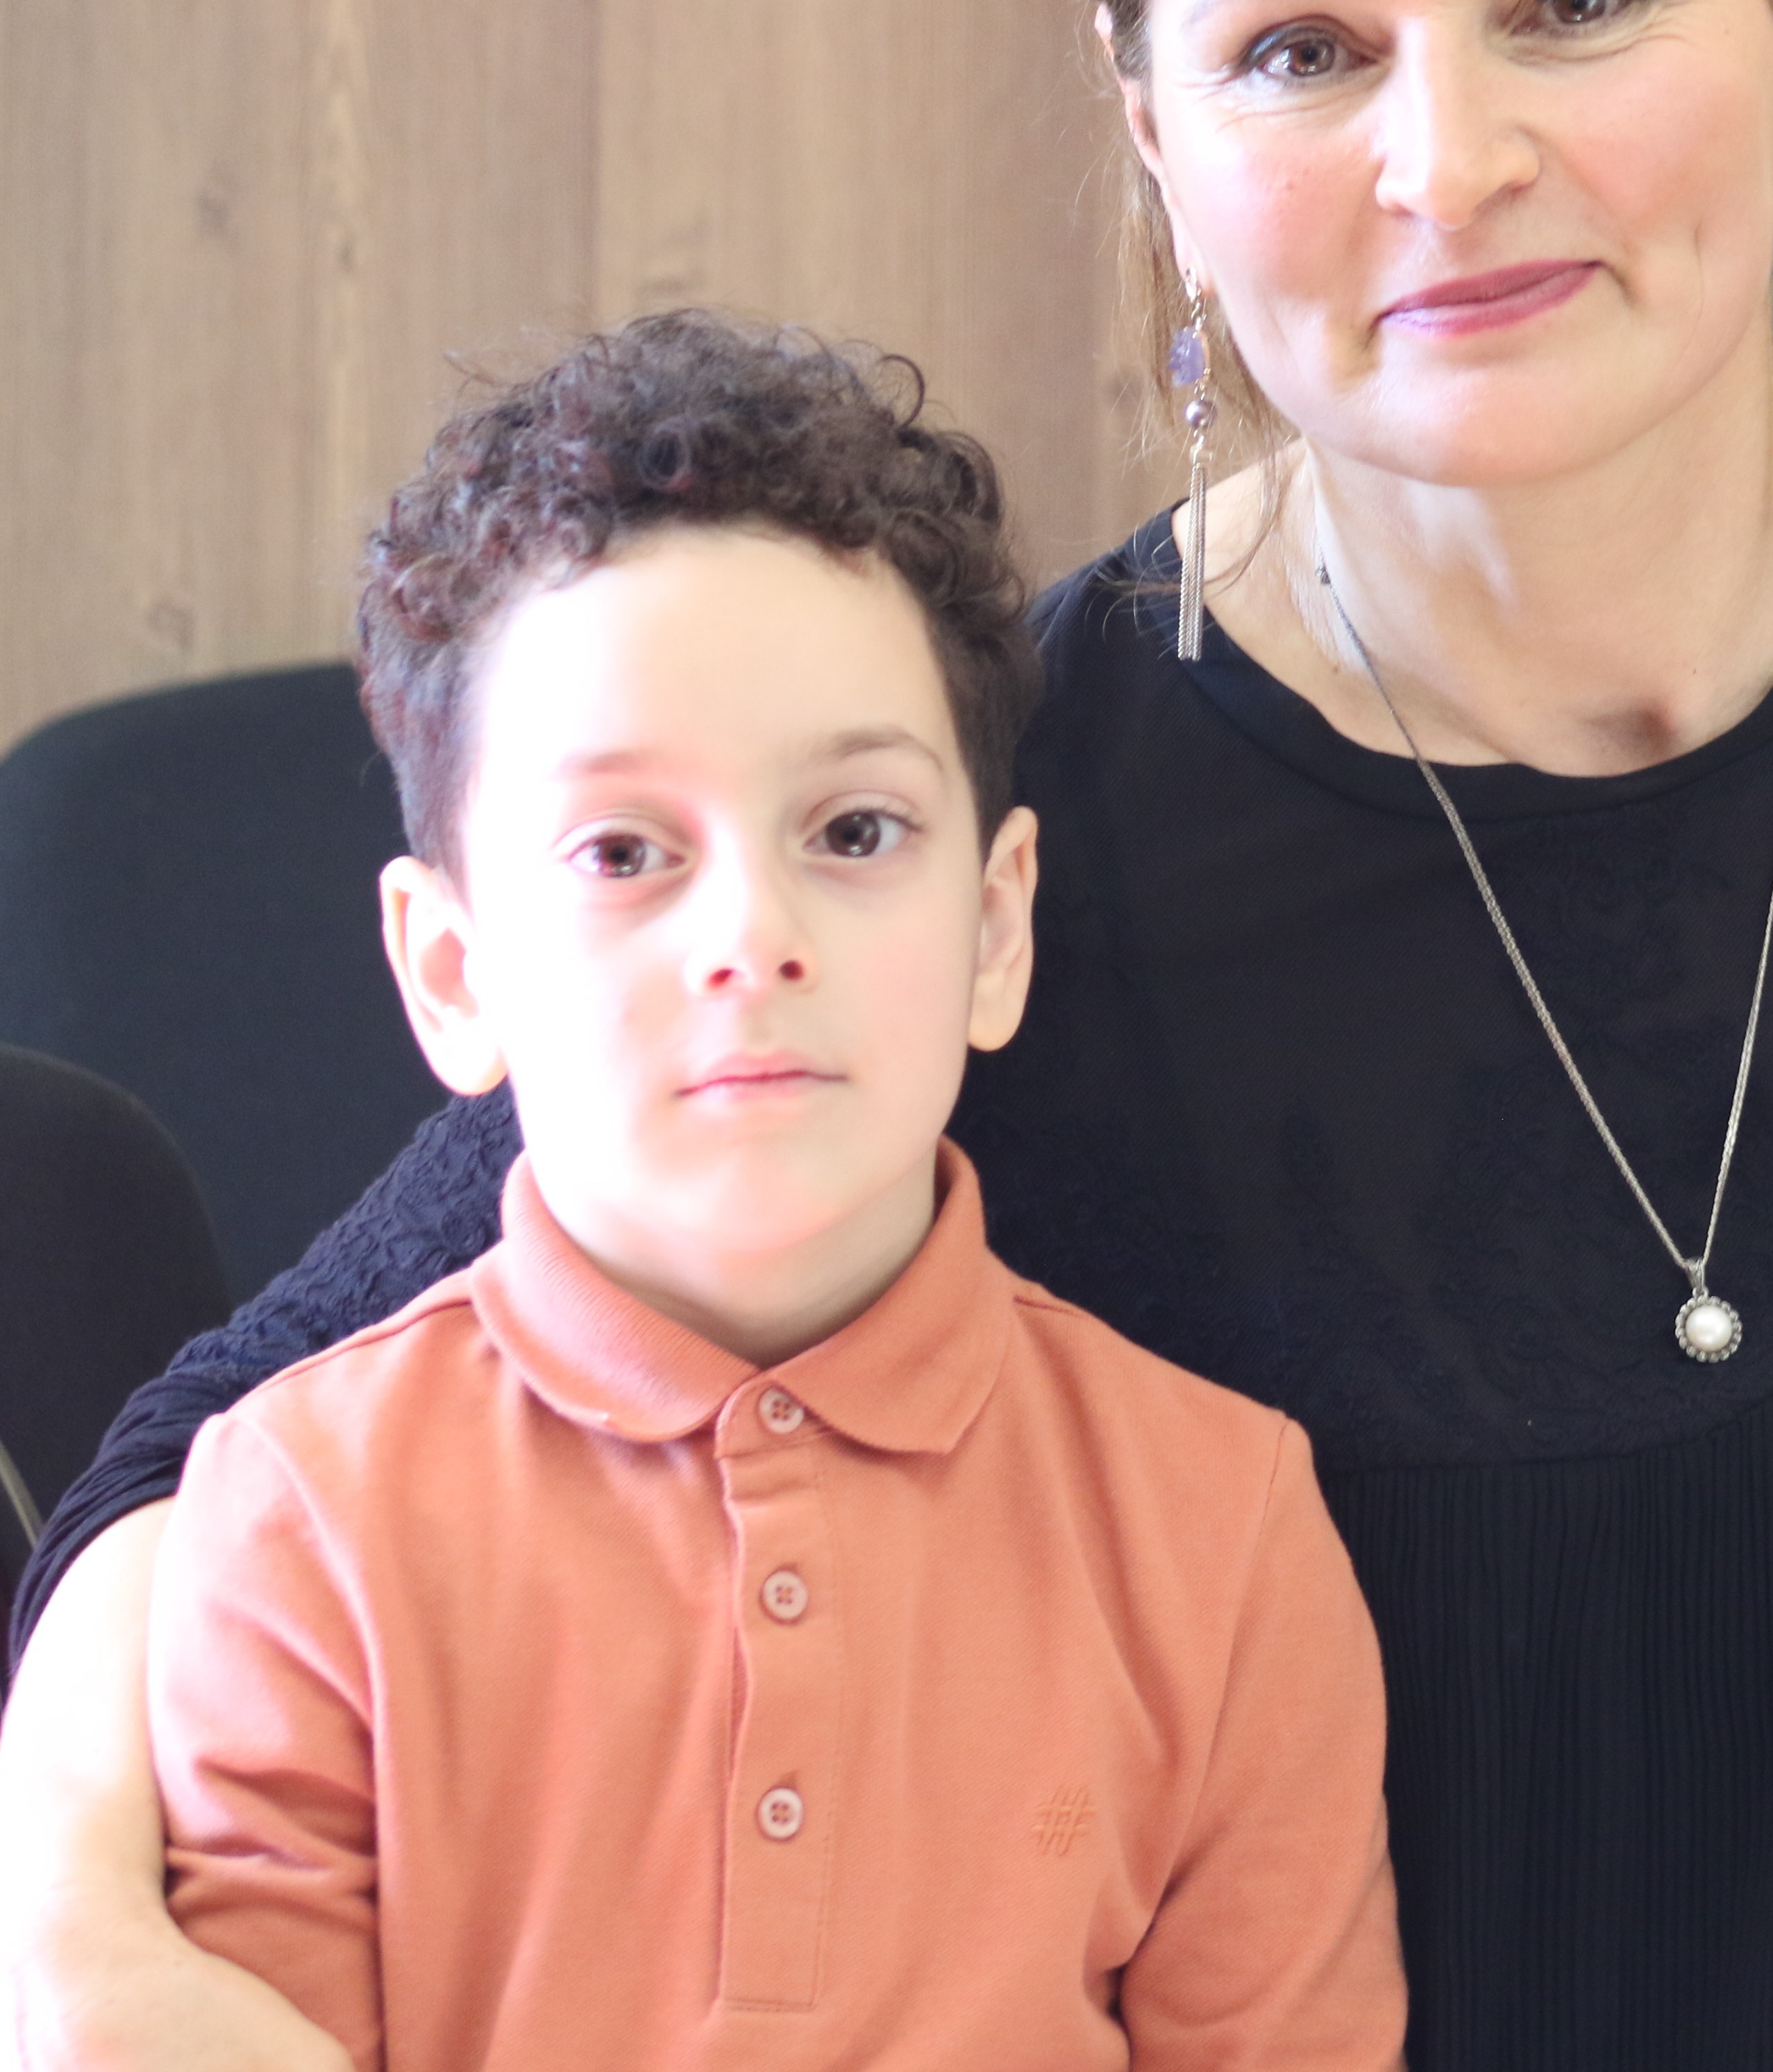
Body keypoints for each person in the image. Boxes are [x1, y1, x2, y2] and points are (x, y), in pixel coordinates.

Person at [0, 0, 1773, 2069]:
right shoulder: (968, 830)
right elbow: (220, 1449)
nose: (1452, 159)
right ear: (1153, 128)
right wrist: (71, 1944)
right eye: (1302, 49)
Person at [144, 314, 1405, 2069]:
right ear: (451, 973)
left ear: (995, 925)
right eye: (622, 852)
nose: (753, 936)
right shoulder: (296, 1518)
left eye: (855, 832)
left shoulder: (1223, 1527)